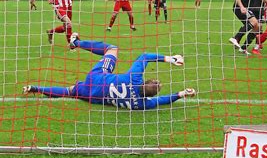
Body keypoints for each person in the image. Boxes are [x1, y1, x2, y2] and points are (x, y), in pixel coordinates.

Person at [23, 33, 196, 110]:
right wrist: (181, 93)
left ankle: (75, 43)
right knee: (68, 92)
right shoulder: (142, 105)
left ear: (144, 82)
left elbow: (145, 56)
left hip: (98, 76)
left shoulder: (134, 77)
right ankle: (34, 88)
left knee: (112, 49)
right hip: (92, 94)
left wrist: (170, 59)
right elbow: (163, 100)